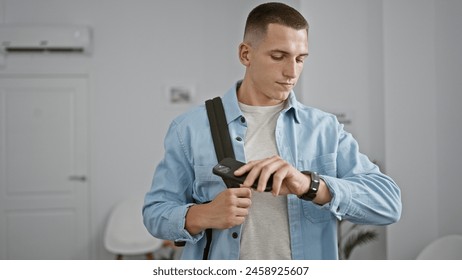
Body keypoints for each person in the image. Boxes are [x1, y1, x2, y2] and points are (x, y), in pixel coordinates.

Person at [143, 2, 401, 260]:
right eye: (278, 56)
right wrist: (203, 215)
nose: (291, 72)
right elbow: (155, 213)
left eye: (300, 59)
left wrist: (309, 186)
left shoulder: (325, 129)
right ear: (246, 54)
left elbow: (388, 204)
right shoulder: (189, 128)